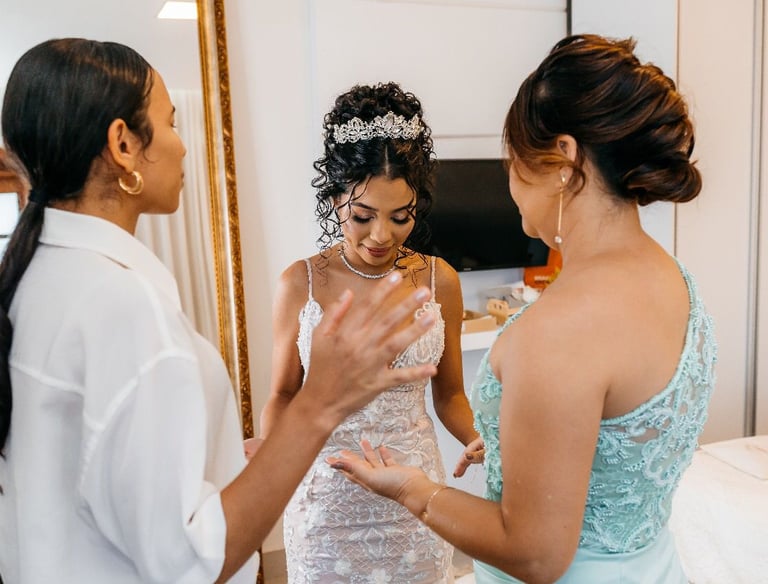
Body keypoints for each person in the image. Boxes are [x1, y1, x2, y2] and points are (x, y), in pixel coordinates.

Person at [0, 39, 439, 583]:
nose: (183, 146)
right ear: (123, 144)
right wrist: (319, 404)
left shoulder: (34, 278)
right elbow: (193, 560)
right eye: (170, 123)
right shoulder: (124, 308)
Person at [328, 34, 718, 584]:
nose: (508, 181)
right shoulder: (676, 280)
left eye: (512, 160)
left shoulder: (558, 330)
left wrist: (416, 490)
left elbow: (534, 553)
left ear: (563, 159)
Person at [259, 81, 481, 583]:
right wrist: (273, 461)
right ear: (335, 198)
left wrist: (476, 437)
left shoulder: (439, 280)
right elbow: (282, 395)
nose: (382, 235)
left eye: (401, 217)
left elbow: (450, 395)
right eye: (363, 216)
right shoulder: (300, 283)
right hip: (325, 501)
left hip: (415, 501)